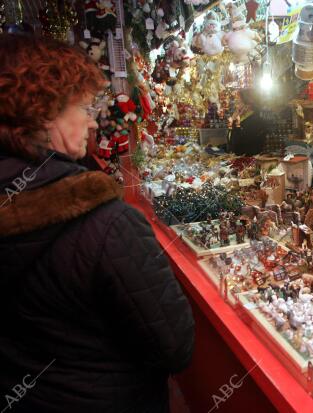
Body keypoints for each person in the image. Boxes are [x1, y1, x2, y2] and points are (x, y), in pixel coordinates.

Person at [0, 34, 194, 412]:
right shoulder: (104, 223)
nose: (91, 122)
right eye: (82, 107)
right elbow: (175, 345)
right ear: (44, 113)